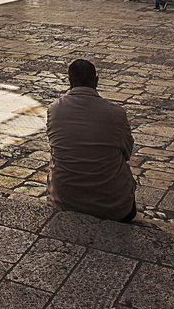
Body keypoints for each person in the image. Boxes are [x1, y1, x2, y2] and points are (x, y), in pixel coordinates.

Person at [46, 58, 136, 222]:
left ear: (70, 81)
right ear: (96, 81)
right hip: (113, 207)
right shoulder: (116, 114)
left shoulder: (54, 110)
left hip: (64, 202)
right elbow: (127, 153)